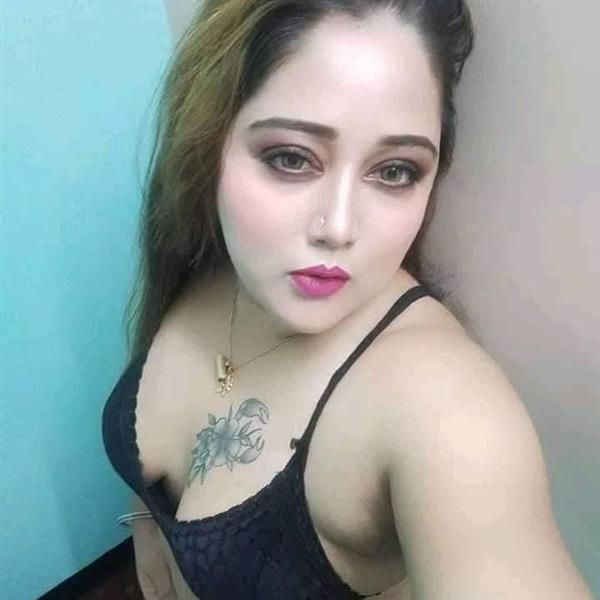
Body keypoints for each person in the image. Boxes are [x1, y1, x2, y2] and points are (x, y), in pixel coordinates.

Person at [102, 1, 593, 599]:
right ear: (210, 144)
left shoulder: (447, 414)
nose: (338, 228)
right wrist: (147, 528)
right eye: (290, 158)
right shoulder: (216, 258)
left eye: (395, 171)